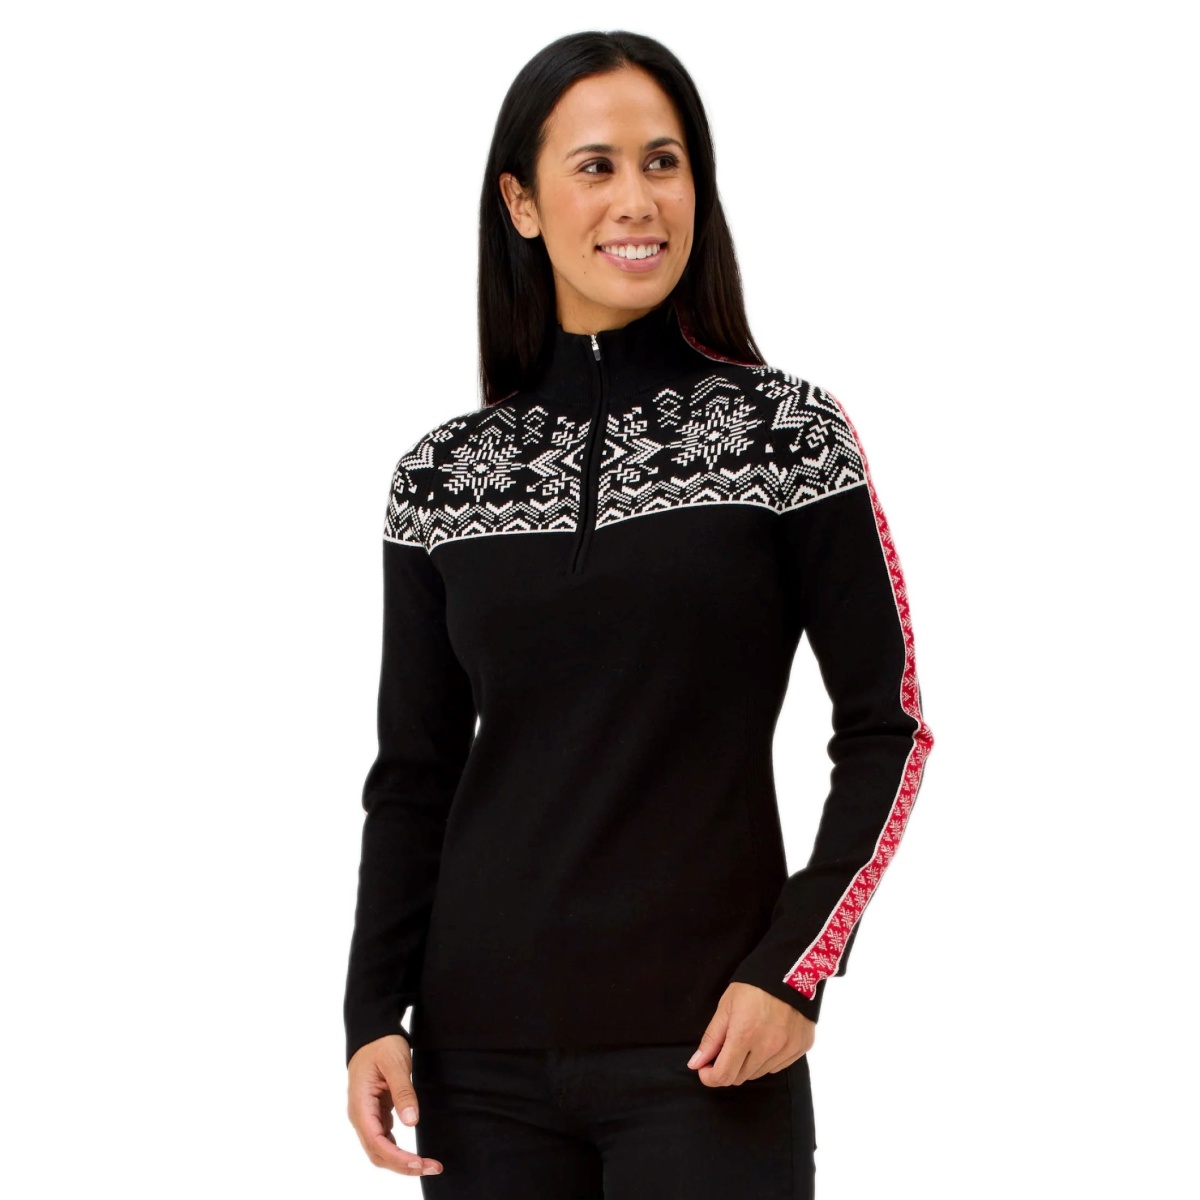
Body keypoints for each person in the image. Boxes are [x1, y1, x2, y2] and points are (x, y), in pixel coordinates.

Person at [343, 29, 934, 1198]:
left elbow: (890, 725)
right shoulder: (440, 477)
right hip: (478, 1068)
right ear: (521, 204)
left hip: (710, 1051)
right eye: (596, 166)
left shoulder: (787, 437)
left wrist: (795, 968)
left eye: (665, 163)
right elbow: (414, 772)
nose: (638, 201)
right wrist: (372, 1010)